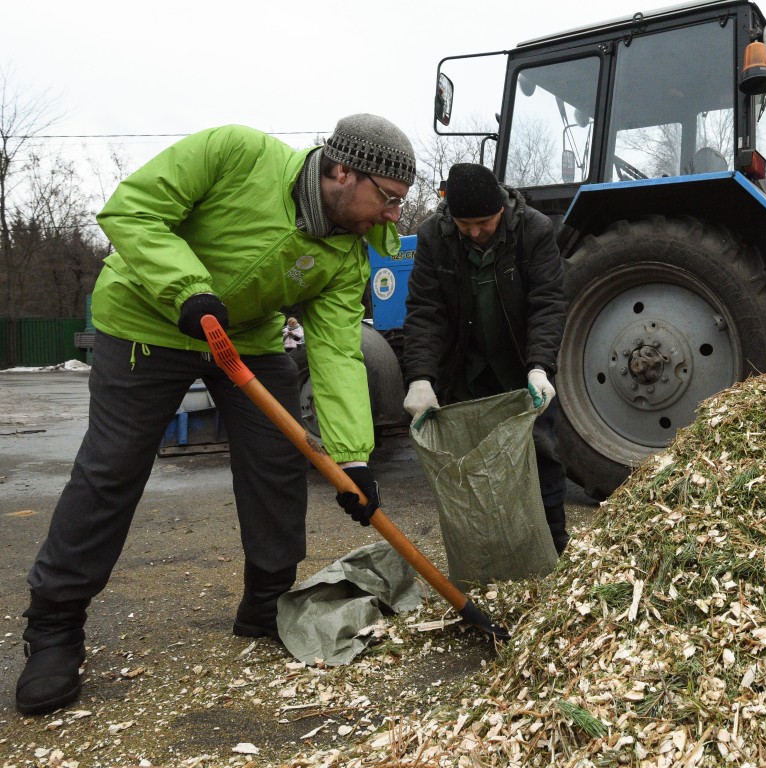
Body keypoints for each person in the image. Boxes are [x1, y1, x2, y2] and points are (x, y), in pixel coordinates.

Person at [15, 114, 416, 716]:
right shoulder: (237, 153)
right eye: (387, 199)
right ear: (342, 171)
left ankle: (267, 602)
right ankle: (53, 627)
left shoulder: (345, 252)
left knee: (277, 461)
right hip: (146, 321)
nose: (393, 216)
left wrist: (353, 457)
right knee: (112, 470)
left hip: (245, 338)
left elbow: (335, 352)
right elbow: (132, 211)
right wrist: (186, 287)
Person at [401, 163, 569, 555]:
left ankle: (554, 545)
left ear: (501, 211)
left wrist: (540, 365)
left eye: (483, 223)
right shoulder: (433, 237)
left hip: (521, 368)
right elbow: (425, 311)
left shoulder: (535, 230)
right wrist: (421, 377)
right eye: (465, 225)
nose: (474, 232)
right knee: (471, 465)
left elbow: (547, 303)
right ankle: (488, 554)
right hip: (465, 370)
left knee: (539, 449)